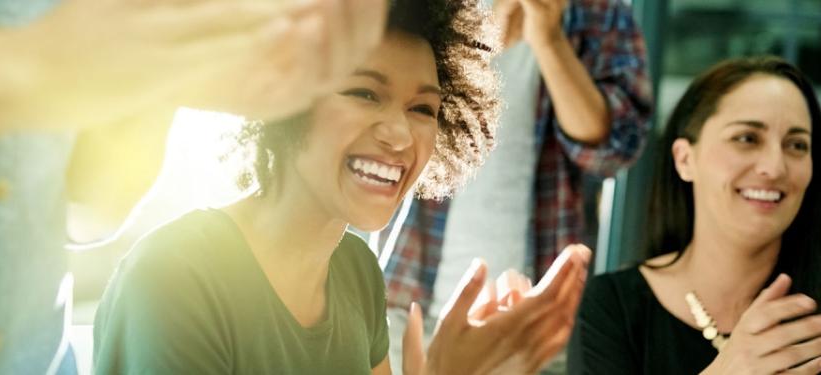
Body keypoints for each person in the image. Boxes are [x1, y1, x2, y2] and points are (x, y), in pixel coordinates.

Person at [0, 0, 387, 373]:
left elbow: (86, 209)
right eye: (366, 92)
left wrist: (160, 80)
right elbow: (52, 70)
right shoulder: (184, 273)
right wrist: (35, 68)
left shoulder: (357, 269)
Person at [91, 0, 592, 373]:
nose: (400, 134)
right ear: (288, 95)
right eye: (364, 92)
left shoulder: (357, 274)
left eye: (422, 109)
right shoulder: (176, 279)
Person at [568, 56, 821, 374]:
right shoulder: (612, 307)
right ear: (685, 159)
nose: (774, 167)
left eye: (797, 145)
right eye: (747, 138)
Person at [377, 0, 651, 371]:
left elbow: (614, 151)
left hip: (530, 321)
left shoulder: (600, 13)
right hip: (407, 301)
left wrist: (549, 40)